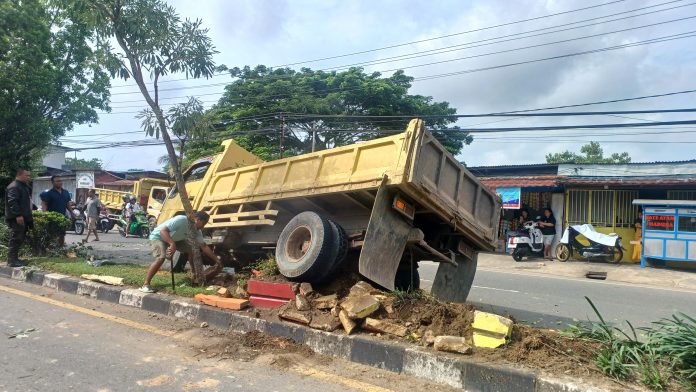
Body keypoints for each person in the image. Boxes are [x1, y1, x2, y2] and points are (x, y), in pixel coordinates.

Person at [140, 212, 222, 293]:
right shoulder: (181, 219)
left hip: (175, 239)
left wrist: (216, 260)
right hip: (158, 237)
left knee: (192, 249)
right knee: (161, 258)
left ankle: (194, 273)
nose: (203, 226)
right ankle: (146, 284)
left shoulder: (197, 231)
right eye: (203, 223)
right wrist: (172, 244)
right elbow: (163, 231)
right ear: (197, 219)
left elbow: (203, 246)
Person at [5, 169, 33, 267]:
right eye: (27, 175)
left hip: (23, 216)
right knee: (16, 237)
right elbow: (12, 201)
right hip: (17, 217)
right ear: (20, 175)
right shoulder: (14, 186)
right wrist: (18, 215)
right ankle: (11, 261)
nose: (29, 177)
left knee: (20, 237)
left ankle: (15, 259)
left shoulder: (23, 186)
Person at [40, 175, 71, 247]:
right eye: (57, 181)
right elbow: (44, 204)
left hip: (62, 218)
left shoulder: (66, 192)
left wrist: (72, 213)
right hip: (52, 218)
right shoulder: (49, 193)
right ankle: (49, 249)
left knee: (62, 234)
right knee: (51, 235)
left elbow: (67, 204)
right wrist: (45, 214)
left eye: (60, 181)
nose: (60, 182)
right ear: (53, 183)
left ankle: (60, 249)